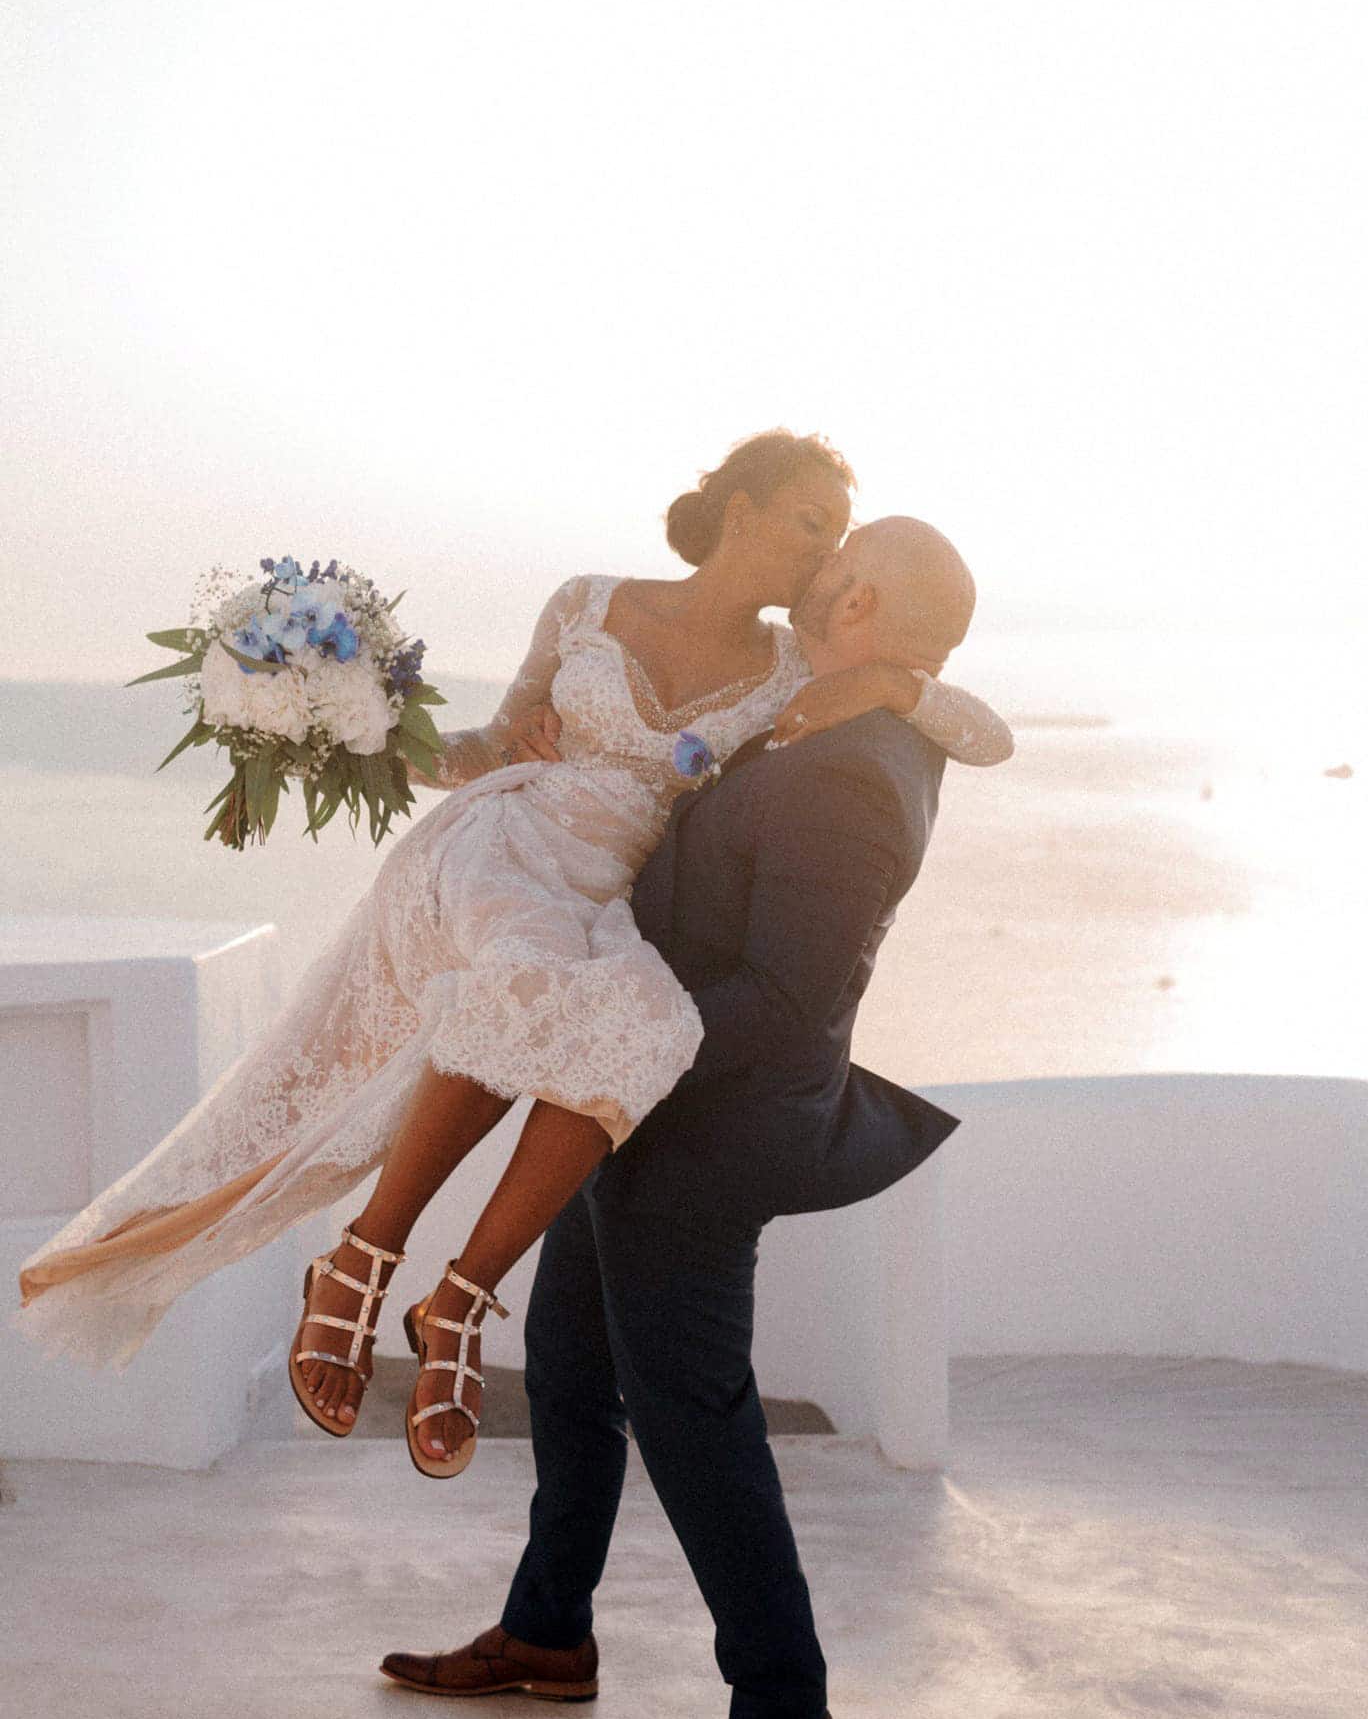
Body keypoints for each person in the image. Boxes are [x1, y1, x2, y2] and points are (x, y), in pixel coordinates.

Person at [15, 434, 1012, 1482]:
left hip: (604, 900)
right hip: (502, 845)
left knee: (645, 1028)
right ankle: (362, 1259)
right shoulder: (587, 602)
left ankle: (456, 1302)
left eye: (842, 540)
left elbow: (986, 734)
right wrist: (356, 725)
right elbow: (485, 748)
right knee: (522, 978)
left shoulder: (797, 668)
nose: (828, 555)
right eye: (813, 523)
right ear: (741, 510)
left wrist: (890, 687)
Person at [378, 516, 974, 1719]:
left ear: (860, 600)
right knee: (570, 1367)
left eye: (835, 564)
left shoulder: (858, 775)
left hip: (703, 1131)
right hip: (631, 1107)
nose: (812, 574)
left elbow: (787, 1003)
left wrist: (606, 1027)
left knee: (692, 1414)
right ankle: (548, 1632)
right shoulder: (823, 716)